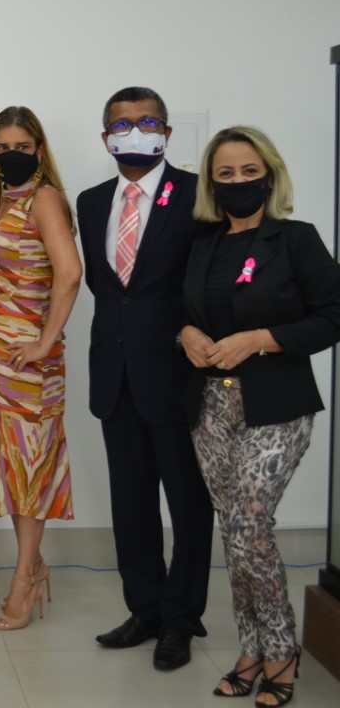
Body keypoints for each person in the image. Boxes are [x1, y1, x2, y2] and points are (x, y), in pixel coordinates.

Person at [180, 126, 340, 706]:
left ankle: (280, 650)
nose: (238, 182)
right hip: (210, 407)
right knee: (233, 530)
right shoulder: (203, 244)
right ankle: (249, 648)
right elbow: (185, 309)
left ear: (269, 177)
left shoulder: (296, 239)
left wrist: (261, 339)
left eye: (249, 171)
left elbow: (333, 315)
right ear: (211, 183)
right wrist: (186, 331)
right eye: (225, 173)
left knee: (250, 530)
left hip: (276, 407)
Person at [76, 86, 213, 670]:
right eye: (122, 124)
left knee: (188, 505)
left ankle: (181, 620)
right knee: (130, 504)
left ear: (167, 133)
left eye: (147, 122)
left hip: (178, 375)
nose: (134, 131)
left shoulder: (198, 195)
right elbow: (108, 289)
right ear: (106, 137)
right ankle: (146, 609)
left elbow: (207, 282)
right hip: (115, 375)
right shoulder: (90, 201)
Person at [0, 106, 80, 630]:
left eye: (22, 147)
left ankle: (24, 578)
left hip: (28, 363)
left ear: (39, 150)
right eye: (2, 147)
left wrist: (44, 342)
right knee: (11, 468)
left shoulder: (45, 198)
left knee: (29, 469)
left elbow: (70, 274)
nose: (11, 155)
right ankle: (33, 562)